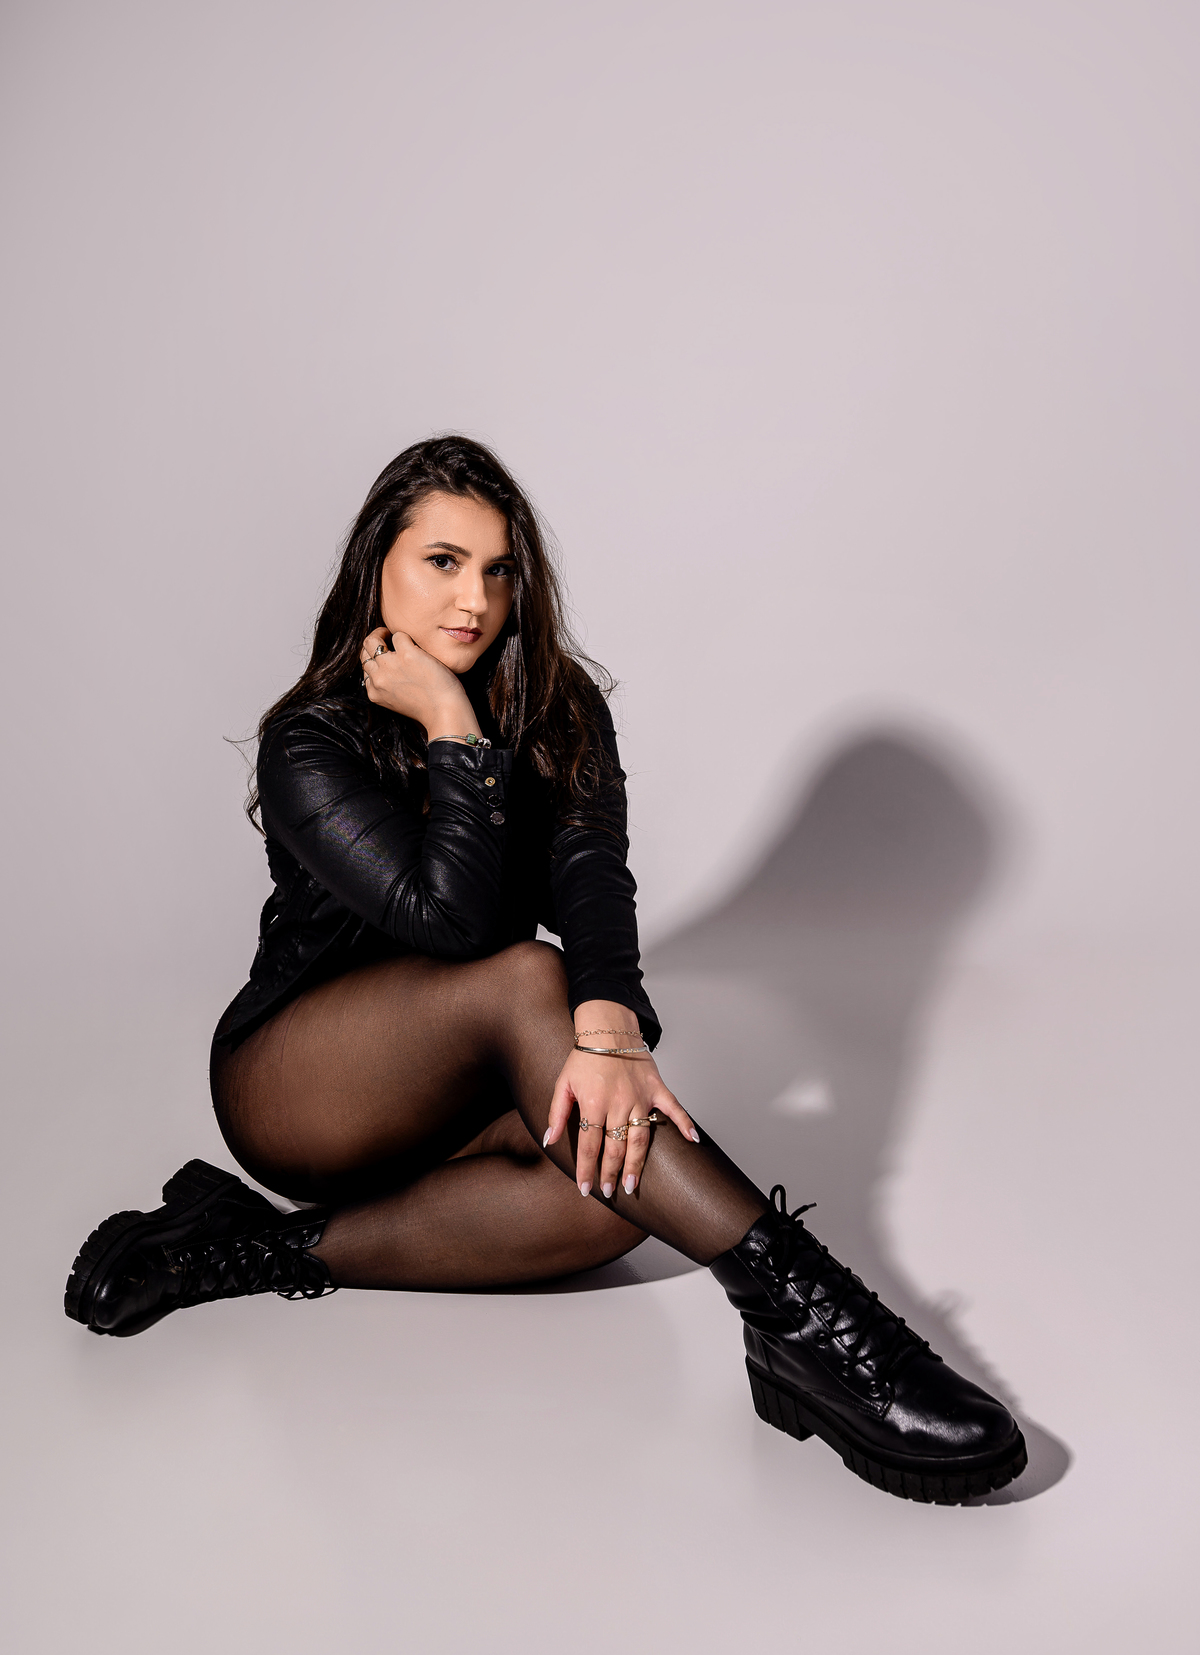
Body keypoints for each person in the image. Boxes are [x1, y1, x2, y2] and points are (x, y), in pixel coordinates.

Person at [64, 435, 1026, 1504]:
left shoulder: (563, 710)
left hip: (460, 1096)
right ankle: (820, 1322)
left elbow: (594, 888)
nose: (474, 598)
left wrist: (612, 1029)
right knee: (529, 975)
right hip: (300, 1088)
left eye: (498, 569)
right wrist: (450, 723)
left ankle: (253, 1249)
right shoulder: (311, 741)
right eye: (441, 561)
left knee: (612, 1190)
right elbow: (458, 925)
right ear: (377, 565)